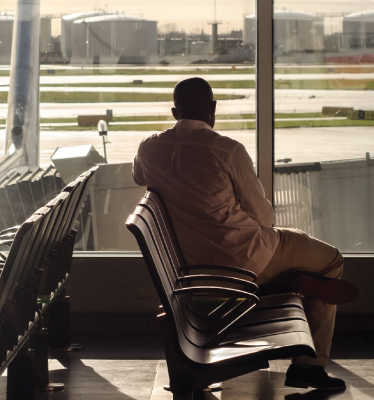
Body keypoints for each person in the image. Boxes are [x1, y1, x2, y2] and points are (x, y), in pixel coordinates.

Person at [132, 77, 359, 391]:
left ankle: (286, 280)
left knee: (290, 250)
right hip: (248, 258)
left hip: (192, 269)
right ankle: (310, 365)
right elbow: (263, 217)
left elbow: (137, 176)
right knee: (330, 260)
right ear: (213, 109)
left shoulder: (149, 148)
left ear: (174, 112)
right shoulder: (227, 150)